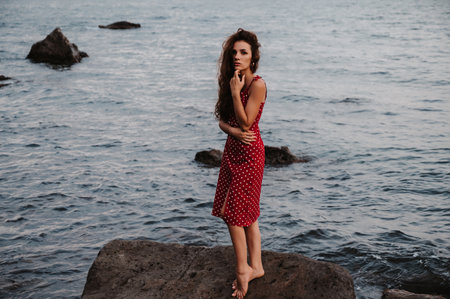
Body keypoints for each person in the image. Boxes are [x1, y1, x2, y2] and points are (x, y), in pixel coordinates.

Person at [211, 28, 267, 299]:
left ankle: (242, 268)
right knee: (246, 214)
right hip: (232, 150)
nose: (237, 56)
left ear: (253, 57)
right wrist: (230, 131)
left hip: (250, 154)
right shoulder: (231, 80)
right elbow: (224, 120)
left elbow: (246, 122)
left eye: (243, 52)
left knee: (233, 213)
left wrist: (236, 92)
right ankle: (256, 266)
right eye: (234, 52)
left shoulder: (256, 84)